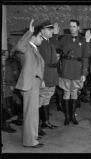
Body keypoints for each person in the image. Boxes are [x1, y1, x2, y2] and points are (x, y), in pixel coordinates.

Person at [14, 19, 45, 148]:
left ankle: (32, 137)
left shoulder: (34, 49)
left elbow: (36, 66)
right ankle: (30, 141)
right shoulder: (26, 48)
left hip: (34, 84)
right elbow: (19, 46)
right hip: (29, 85)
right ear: (34, 37)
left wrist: (41, 80)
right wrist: (29, 32)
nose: (42, 39)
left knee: (32, 114)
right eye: (40, 37)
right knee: (30, 114)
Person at [55, 19, 88, 125]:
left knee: (74, 93)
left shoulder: (83, 40)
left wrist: (84, 73)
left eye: (74, 26)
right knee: (66, 92)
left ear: (78, 28)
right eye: (70, 26)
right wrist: (55, 34)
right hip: (66, 68)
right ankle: (66, 117)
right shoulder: (64, 39)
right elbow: (55, 45)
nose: (71, 28)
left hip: (77, 70)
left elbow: (85, 57)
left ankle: (73, 116)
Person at [38, 20, 60, 130]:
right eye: (49, 29)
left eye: (52, 29)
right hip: (44, 75)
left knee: (47, 99)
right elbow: (38, 63)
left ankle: (45, 122)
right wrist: (41, 78)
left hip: (52, 74)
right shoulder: (39, 43)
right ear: (42, 31)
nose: (52, 30)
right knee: (40, 100)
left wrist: (55, 34)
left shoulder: (49, 42)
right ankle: (37, 127)